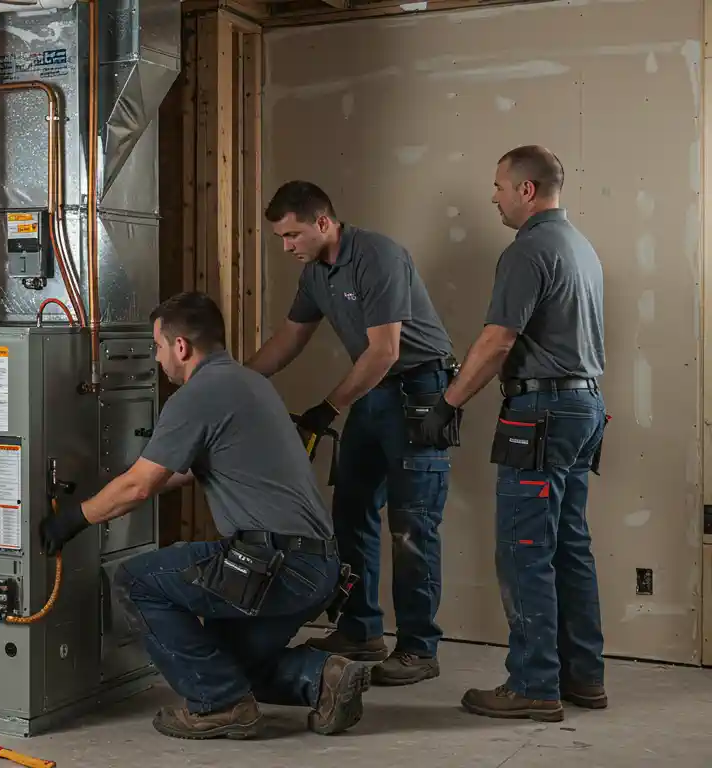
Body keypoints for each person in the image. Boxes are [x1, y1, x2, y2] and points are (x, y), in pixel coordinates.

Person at [40, 291, 370, 740]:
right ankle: (323, 677)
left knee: (136, 582)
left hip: (274, 566)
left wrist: (72, 519)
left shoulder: (200, 394)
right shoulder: (248, 382)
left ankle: (221, 706)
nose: (157, 360)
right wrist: (126, 483)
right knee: (226, 662)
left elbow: (141, 486)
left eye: (157, 347)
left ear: (180, 347)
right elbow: (172, 475)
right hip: (319, 568)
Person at [413, 145, 607, 722]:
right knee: (569, 546)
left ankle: (533, 685)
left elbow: (498, 341)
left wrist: (447, 403)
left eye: (498, 186)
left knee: (526, 551)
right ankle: (584, 677)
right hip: (585, 407)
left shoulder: (528, 251)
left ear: (526, 190)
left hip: (542, 413)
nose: (492, 197)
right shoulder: (580, 246)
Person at [244, 181, 457, 687]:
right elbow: (289, 338)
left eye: (292, 234)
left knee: (411, 525)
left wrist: (326, 409)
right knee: (352, 510)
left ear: (323, 222)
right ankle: (361, 629)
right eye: (280, 237)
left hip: (419, 391)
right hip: (374, 393)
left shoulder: (376, 255)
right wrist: (234, 381)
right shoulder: (316, 273)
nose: (286, 246)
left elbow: (384, 351)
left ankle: (418, 649)